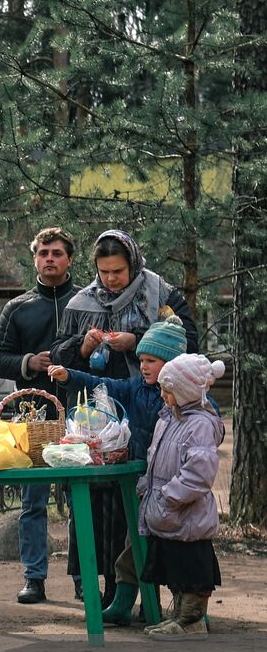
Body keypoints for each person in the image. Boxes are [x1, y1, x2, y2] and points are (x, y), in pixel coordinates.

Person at [51, 230, 198, 606]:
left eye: (118, 271)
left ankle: (129, 589)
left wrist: (139, 340)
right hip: (94, 417)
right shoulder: (82, 303)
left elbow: (188, 340)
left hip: (146, 409)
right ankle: (89, 580)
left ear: (133, 264)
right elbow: (59, 355)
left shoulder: (160, 294)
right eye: (104, 272)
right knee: (91, 495)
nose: (111, 279)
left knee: (127, 498)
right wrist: (83, 345)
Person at [48, 318, 189, 624]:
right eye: (141, 360)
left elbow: (206, 428)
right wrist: (69, 375)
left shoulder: (189, 400)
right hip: (143, 484)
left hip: (176, 489)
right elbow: (104, 385)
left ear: (173, 363)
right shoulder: (137, 387)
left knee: (178, 549)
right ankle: (125, 604)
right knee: (132, 546)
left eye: (151, 360)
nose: (145, 366)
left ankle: (187, 613)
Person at [0, 227, 79, 604]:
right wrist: (28, 361)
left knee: (81, 500)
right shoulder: (18, 307)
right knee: (33, 501)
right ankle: (34, 578)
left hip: (79, 413)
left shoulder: (85, 302)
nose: (50, 259)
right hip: (33, 420)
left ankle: (83, 576)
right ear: (35, 258)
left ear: (69, 259)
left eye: (57, 253)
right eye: (44, 253)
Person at [136, 354, 226, 640]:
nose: (162, 395)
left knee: (191, 566)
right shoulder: (169, 419)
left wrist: (169, 496)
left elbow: (198, 473)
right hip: (169, 512)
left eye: (168, 390)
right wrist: (147, 487)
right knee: (174, 564)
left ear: (185, 391)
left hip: (187, 512)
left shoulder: (199, 425)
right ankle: (178, 616)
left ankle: (192, 620)